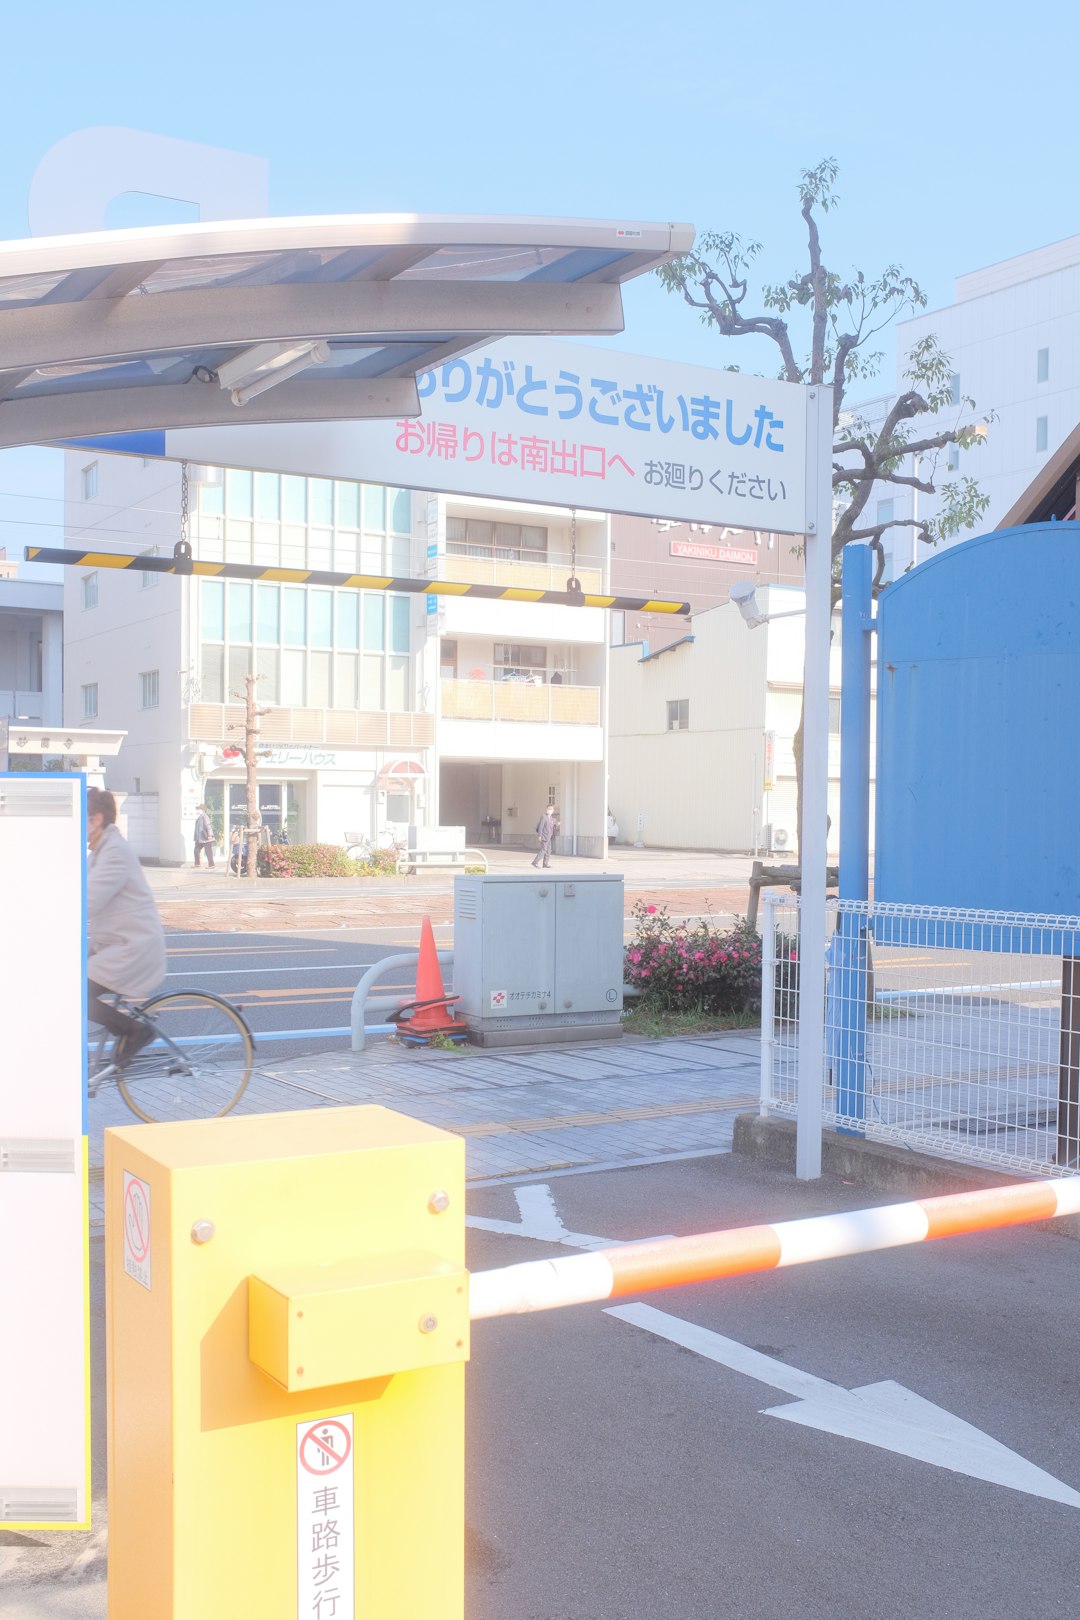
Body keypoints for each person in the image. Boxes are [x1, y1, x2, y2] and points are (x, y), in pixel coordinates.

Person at [87, 787, 167, 1066]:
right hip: (115, 944)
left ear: (95, 819)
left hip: (132, 948)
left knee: (73, 991)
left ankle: (136, 1031)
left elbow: (86, 900)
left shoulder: (114, 852)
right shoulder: (99, 851)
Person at [531, 802, 557, 869]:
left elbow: (551, 827)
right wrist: (540, 836)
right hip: (544, 836)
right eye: (549, 809)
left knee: (548, 850)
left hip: (550, 836)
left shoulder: (551, 818)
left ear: (553, 810)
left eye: (551, 809)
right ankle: (535, 862)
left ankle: (545, 864)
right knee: (544, 849)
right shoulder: (544, 816)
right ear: (546, 809)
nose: (550, 810)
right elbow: (541, 827)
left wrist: (557, 825)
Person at [193, 802, 215, 867]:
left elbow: (208, 826)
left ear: (202, 810)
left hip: (205, 837)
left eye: (199, 809)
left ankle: (211, 865)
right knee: (196, 850)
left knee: (208, 851)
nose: (198, 810)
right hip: (200, 838)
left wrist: (210, 835)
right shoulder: (200, 817)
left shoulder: (205, 816)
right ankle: (197, 864)